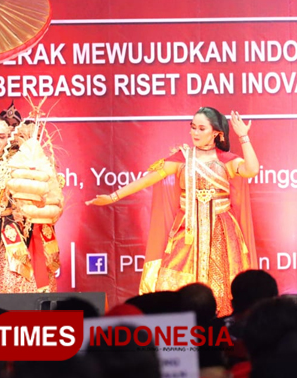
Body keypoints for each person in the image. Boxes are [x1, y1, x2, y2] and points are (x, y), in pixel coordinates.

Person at [87, 107, 259, 316]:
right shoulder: (182, 158)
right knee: (175, 278)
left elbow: (251, 170)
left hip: (221, 231)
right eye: (192, 127)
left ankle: (218, 330)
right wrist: (113, 197)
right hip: (187, 231)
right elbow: (147, 179)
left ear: (216, 133)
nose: (194, 133)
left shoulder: (226, 160)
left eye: (201, 128)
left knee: (222, 285)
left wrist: (244, 137)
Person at [0, 114, 62, 312]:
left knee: (12, 284)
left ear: (8, 138)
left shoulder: (18, 166)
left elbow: (38, 196)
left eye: (1, 136)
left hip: (9, 236)